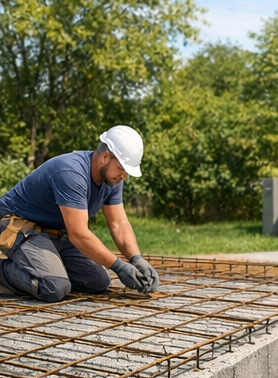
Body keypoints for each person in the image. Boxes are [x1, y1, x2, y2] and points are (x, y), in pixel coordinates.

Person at [0, 126, 160, 301]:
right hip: (14, 223)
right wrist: (119, 266)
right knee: (54, 287)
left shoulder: (112, 179)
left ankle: (45, 269)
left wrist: (136, 259)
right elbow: (78, 234)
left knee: (98, 282)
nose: (124, 176)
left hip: (52, 233)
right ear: (105, 157)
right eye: (122, 168)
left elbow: (118, 224)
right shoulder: (71, 172)